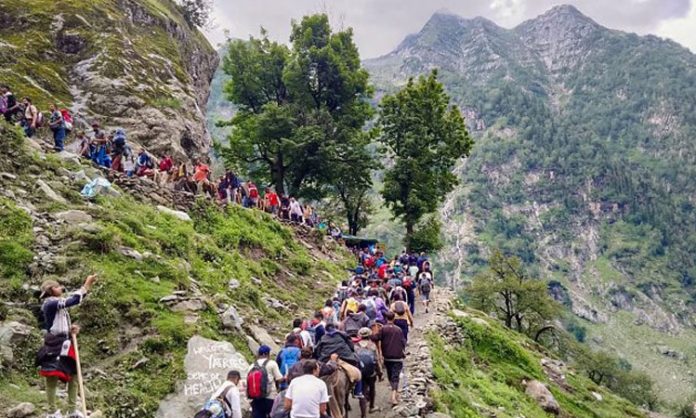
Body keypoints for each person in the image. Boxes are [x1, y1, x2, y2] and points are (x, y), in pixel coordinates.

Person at [37, 274, 97, 418]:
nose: (61, 289)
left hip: (65, 342)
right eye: (58, 287)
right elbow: (73, 300)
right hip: (54, 344)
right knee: (52, 377)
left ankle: (72, 410)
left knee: (74, 376)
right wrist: (86, 285)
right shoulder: (50, 303)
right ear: (51, 290)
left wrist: (71, 329)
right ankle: (52, 412)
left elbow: (60, 325)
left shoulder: (58, 305)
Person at [377, 312, 406, 406]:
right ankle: (394, 396)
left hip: (387, 357)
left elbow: (376, 338)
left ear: (386, 318)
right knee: (395, 377)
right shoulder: (398, 330)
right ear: (394, 318)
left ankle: (394, 394)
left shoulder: (383, 329)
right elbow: (403, 342)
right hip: (397, 357)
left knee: (390, 376)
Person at [249, 345, 284, 418]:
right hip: (270, 397)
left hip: (256, 397)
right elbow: (279, 379)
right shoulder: (272, 363)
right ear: (267, 354)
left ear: (259, 354)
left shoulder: (252, 366)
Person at [355, 327, 382, 415]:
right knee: (372, 388)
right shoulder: (372, 345)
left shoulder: (356, 346)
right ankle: (372, 406)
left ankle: (363, 414)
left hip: (360, 372)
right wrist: (379, 372)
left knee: (362, 392)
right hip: (371, 372)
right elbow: (377, 359)